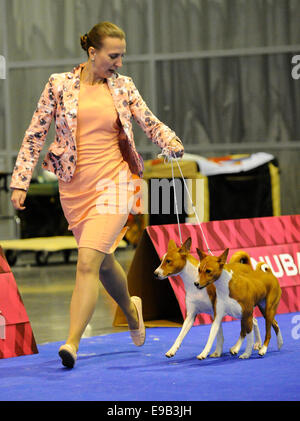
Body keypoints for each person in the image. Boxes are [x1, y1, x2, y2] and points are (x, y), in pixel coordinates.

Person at [10, 21, 184, 368]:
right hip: (74, 189)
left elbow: (148, 121)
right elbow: (34, 134)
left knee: (88, 262)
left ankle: (71, 343)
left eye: (122, 56)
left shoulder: (123, 87)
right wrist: (20, 180)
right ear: (93, 52)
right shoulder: (58, 85)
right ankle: (132, 310)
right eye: (113, 55)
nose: (119, 63)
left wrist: (171, 141)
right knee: (103, 262)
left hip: (116, 184)